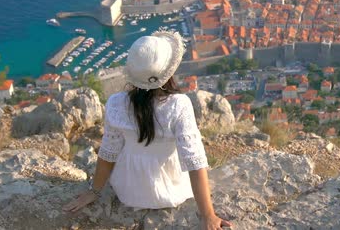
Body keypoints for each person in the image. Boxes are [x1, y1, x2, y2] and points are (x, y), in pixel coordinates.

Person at [63, 31, 231, 229]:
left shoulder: (116, 103)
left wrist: (95, 191)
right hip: (172, 189)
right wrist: (208, 216)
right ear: (169, 71)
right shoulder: (179, 105)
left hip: (128, 190)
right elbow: (194, 161)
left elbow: (108, 153)